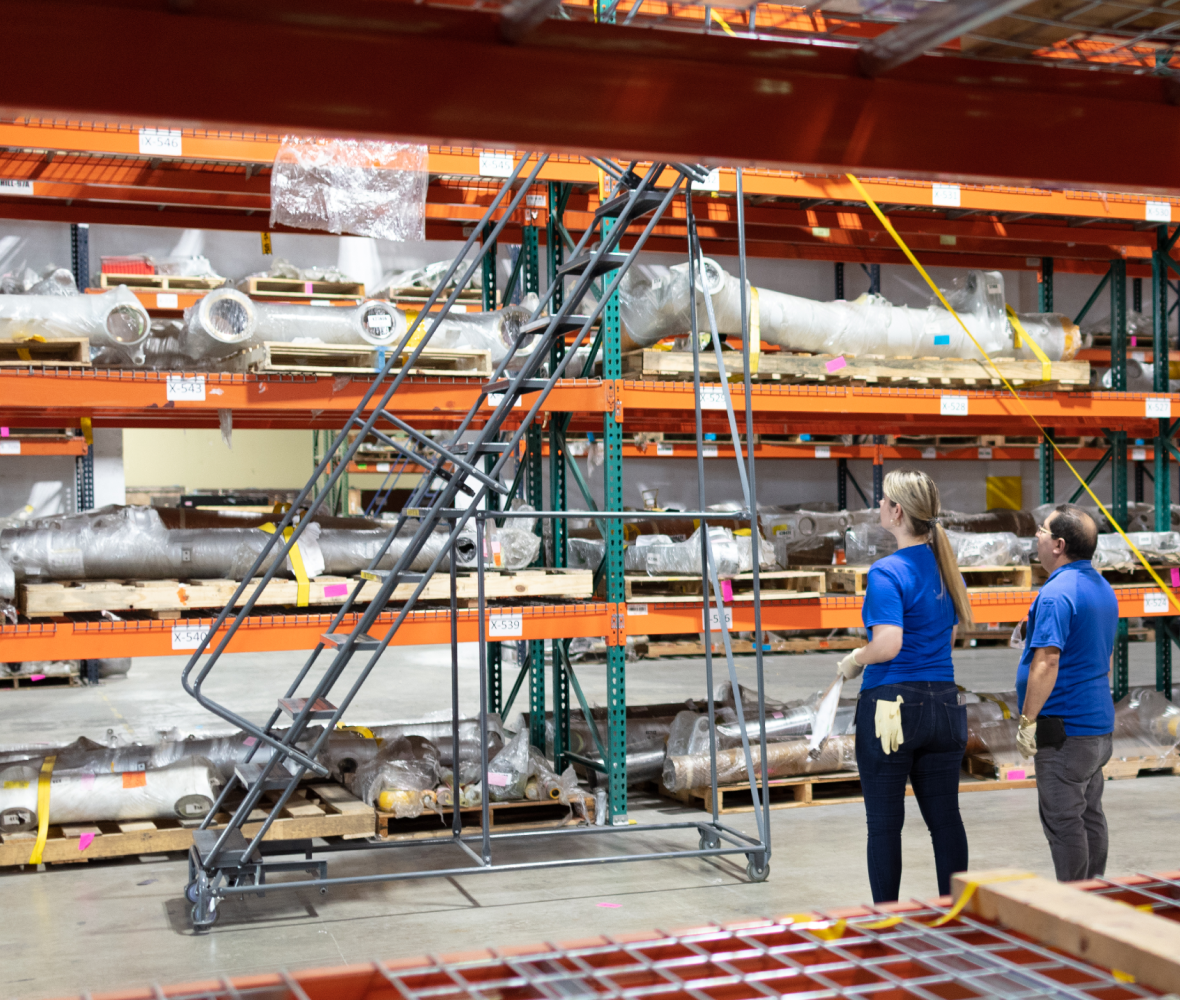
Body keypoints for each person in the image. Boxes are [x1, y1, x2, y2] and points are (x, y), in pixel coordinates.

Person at [834, 468, 974, 903]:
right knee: (945, 819)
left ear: (896, 512)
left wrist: (855, 659)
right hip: (945, 706)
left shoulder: (886, 571)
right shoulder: (946, 567)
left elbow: (889, 643)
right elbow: (950, 636)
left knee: (885, 823)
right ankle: (956, 914)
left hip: (891, 709)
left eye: (882, 501)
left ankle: (887, 921)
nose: (878, 506)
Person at [1015, 504, 1117, 881]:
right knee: (1089, 813)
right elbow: (1100, 654)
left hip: (1065, 730)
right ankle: (1094, 896)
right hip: (1096, 726)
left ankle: (1075, 905)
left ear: (1058, 545)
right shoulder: (1102, 587)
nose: (1036, 537)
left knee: (1063, 821)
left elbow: (1047, 663)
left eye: (1041, 531)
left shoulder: (1057, 594)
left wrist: (1027, 721)